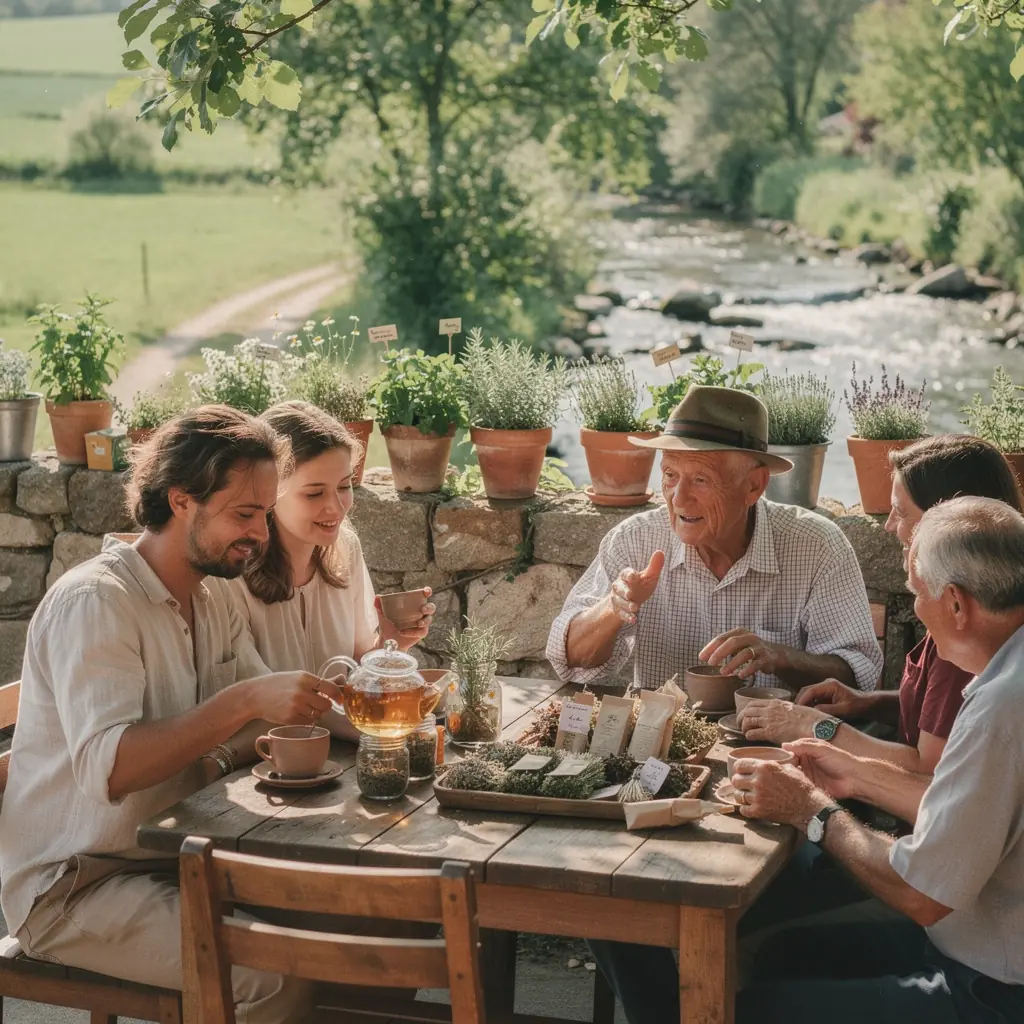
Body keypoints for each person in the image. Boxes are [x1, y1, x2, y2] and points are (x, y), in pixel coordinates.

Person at [0, 406, 341, 1022]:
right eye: (244, 513)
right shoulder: (96, 603)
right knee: (274, 977)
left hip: (177, 858)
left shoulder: (212, 597)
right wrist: (239, 705)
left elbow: (279, 707)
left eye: (264, 513)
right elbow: (113, 771)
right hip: (76, 885)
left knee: (363, 933)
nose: (261, 533)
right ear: (181, 500)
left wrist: (386, 712)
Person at [730, 496, 1024, 1024]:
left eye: (917, 593)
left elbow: (920, 895)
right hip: (978, 947)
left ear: (956, 604)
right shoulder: (1008, 670)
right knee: (778, 955)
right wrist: (859, 776)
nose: (915, 609)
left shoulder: (1002, 707)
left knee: (753, 1011)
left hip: (993, 989)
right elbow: (971, 808)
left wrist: (811, 811)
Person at [547, 385, 882, 692]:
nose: (678, 498)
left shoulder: (816, 546)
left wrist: (779, 657)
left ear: (753, 486)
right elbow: (568, 659)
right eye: (670, 475)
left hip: (775, 749)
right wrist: (614, 607)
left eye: (702, 480)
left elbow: (860, 675)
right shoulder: (635, 540)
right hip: (662, 748)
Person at [738, 434, 1024, 775]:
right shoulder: (969, 606)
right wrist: (865, 703)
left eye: (901, 513)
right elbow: (936, 714)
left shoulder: (967, 638)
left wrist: (814, 726)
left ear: (951, 521)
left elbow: (926, 768)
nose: (888, 525)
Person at [210, 402, 434, 737]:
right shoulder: (230, 573)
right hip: (268, 766)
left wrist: (390, 644)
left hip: (341, 759)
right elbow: (264, 704)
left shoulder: (345, 548)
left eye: (344, 487)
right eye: (314, 493)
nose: (336, 507)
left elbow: (359, 671)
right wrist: (398, 727)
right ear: (269, 492)